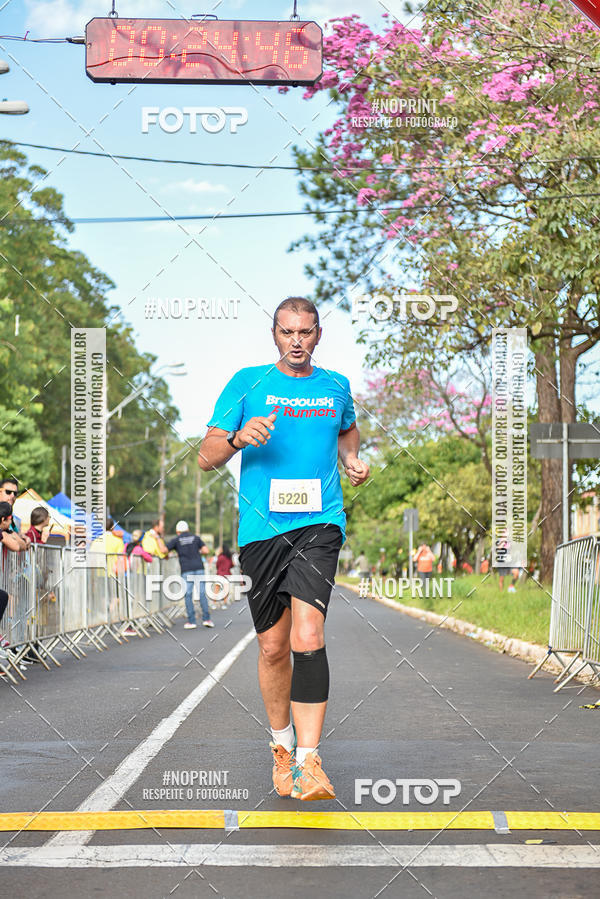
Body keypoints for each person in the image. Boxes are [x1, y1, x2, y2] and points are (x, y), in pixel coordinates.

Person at [198, 296, 370, 801]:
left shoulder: (335, 385)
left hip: (320, 522)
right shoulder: (247, 383)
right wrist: (237, 438)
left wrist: (352, 459)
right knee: (273, 648)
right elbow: (205, 456)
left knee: (308, 634)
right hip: (262, 530)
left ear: (318, 335)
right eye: (288, 332)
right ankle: (282, 746)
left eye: (306, 332)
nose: (297, 341)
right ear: (274, 334)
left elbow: (347, 429)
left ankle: (309, 761)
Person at [166, 520, 213, 629]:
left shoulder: (176, 540)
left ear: (177, 531)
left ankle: (192, 621)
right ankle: (207, 619)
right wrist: (196, 551)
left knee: (188, 594)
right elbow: (206, 550)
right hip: (198, 567)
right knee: (202, 593)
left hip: (186, 569)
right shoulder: (195, 538)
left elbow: (164, 550)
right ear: (187, 529)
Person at [0, 479, 30, 550]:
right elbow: (16, 546)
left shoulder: (15, 519)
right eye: (8, 492)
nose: (12, 496)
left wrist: (22, 536)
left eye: (15, 493)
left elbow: (21, 544)